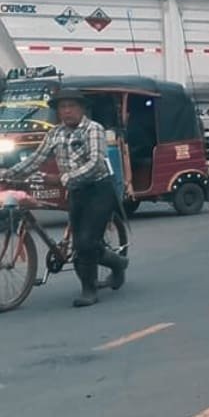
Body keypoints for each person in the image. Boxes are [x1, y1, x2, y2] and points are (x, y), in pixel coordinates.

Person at [0, 88, 128, 307]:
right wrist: (8, 173)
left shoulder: (92, 129)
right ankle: (112, 263)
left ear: (81, 109)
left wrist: (64, 177)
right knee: (82, 242)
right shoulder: (55, 133)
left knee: (85, 244)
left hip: (98, 190)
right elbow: (36, 159)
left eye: (71, 106)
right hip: (76, 192)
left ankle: (95, 284)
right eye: (62, 108)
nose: (66, 111)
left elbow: (96, 163)